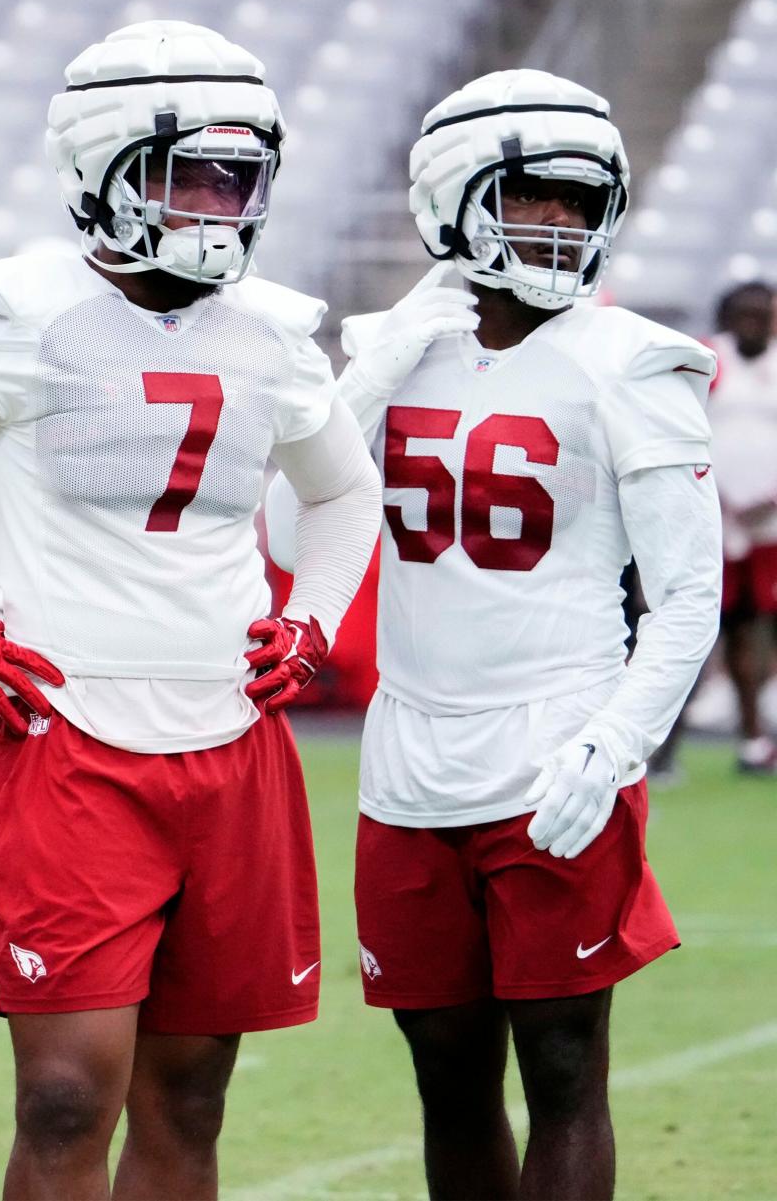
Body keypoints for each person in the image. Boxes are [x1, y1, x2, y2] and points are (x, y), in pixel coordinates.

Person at [0, 20, 384, 1201]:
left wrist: (312, 615)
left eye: (241, 173)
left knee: (193, 1096)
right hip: (74, 736)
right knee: (64, 1092)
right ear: (101, 172)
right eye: (191, 170)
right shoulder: (20, 308)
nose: (221, 202)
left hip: (230, 733)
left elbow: (344, 488)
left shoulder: (268, 326)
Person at [267, 68, 722, 1200]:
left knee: (565, 1067)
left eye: (582, 200)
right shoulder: (393, 345)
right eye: (536, 197)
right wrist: (365, 373)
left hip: (556, 742)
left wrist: (610, 744)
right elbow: (287, 527)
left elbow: (688, 597)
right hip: (409, 753)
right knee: (447, 1074)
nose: (564, 222)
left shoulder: (633, 363)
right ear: (455, 198)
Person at [705, 279, 777, 773]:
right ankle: (750, 736)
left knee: (764, 625)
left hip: (772, 520)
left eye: (763, 313)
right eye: (744, 313)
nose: (754, 323)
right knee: (729, 625)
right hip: (718, 518)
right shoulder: (708, 359)